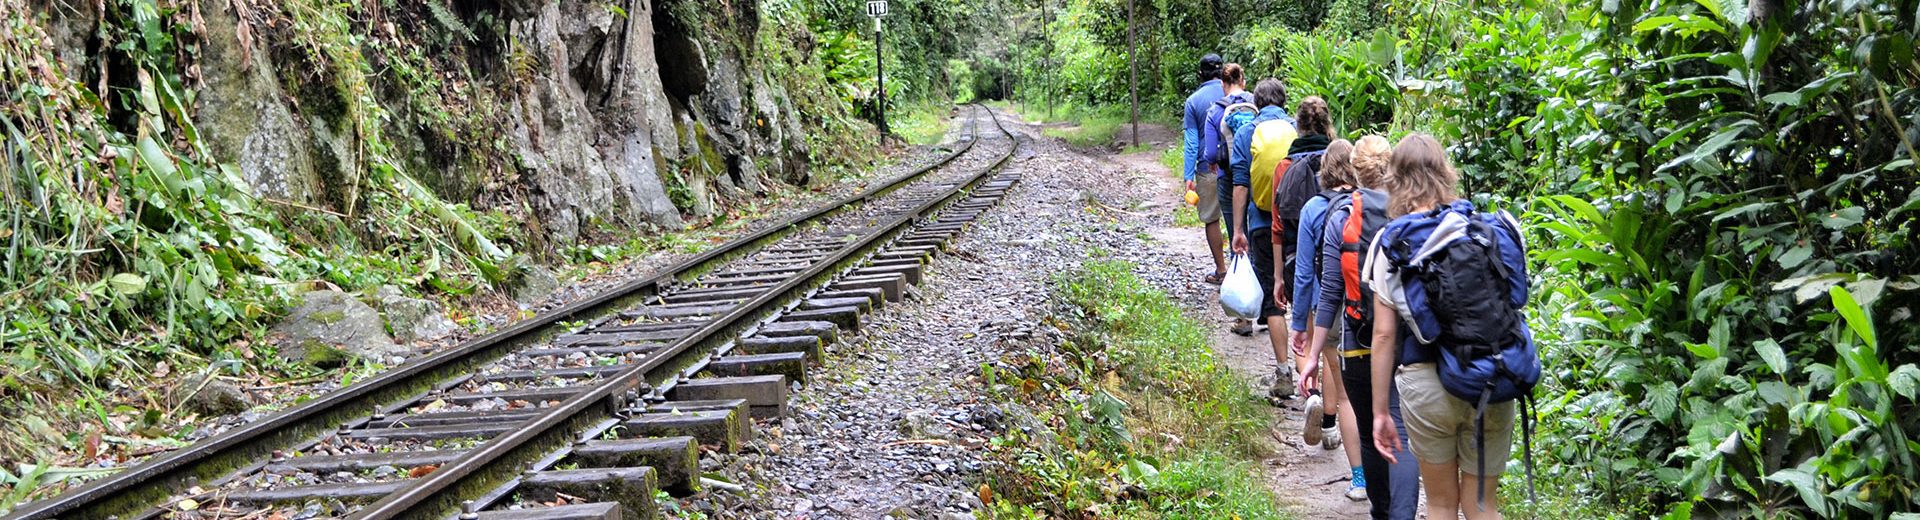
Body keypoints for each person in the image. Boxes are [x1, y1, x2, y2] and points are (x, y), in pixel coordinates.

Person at [1367, 134, 1516, 520]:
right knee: (1483, 505)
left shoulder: (1392, 241)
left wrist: (1381, 411)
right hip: (1492, 376)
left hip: (1428, 385)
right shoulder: (1481, 229)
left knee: (1440, 504)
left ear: (1394, 179)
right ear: (1444, 172)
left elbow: (1383, 335)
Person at [1298, 136, 1420, 517]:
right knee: (1401, 433)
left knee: (1370, 432)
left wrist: (1313, 355)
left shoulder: (1341, 219)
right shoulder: (1411, 216)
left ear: (1355, 171)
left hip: (1357, 342)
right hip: (1406, 343)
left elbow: (1331, 292)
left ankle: (1382, 513)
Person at [1227, 78, 1296, 399]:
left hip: (1261, 226)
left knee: (1273, 302)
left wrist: (1237, 229)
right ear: (1283, 102)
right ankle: (1314, 376)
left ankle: (1285, 374)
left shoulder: (1246, 132)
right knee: (1305, 300)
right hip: (1299, 227)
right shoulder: (1297, 129)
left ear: (1257, 102)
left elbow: (1240, 184)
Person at [1201, 63, 1257, 335]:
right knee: (1257, 235)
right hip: (1256, 177)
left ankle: (1244, 318)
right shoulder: (1256, 103)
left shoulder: (1215, 110)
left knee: (1238, 235)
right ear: (1243, 81)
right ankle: (1269, 311)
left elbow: (1211, 154)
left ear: (1223, 84)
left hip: (1228, 178)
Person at [1181, 54, 1229, 287]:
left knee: (1211, 218)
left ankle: (1221, 270)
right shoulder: (1234, 94)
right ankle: (1245, 270)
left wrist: (1188, 176)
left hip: (1206, 166)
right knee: (1239, 219)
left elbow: (1191, 141)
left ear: (1200, 74)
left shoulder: (1193, 101)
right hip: (1235, 165)